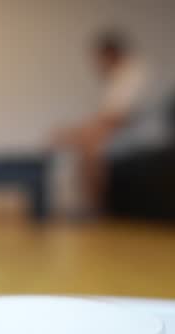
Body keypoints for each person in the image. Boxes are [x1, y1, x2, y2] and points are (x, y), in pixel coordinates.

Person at [52, 30, 147, 213]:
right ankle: (95, 208)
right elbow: (106, 117)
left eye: (98, 60)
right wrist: (75, 132)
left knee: (90, 147)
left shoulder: (133, 75)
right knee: (84, 141)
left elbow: (115, 119)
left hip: (138, 137)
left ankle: (100, 209)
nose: (97, 66)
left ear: (109, 55)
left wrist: (74, 133)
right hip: (123, 134)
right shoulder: (120, 79)